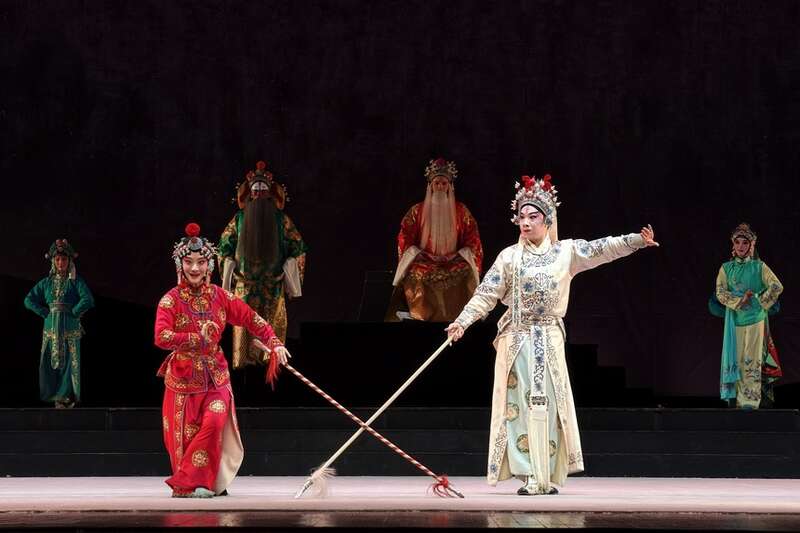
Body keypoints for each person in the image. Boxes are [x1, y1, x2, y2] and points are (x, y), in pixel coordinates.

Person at [445, 175, 658, 495]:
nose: (525, 223)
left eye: (533, 217)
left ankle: (547, 471)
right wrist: (462, 321)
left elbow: (601, 248)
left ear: (547, 220)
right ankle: (529, 473)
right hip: (517, 338)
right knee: (518, 405)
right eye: (521, 217)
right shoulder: (509, 257)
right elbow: (486, 294)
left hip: (549, 336)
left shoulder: (565, 252)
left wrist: (636, 240)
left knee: (550, 402)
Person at [155, 223, 291, 498]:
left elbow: (251, 318)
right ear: (180, 264)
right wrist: (197, 337)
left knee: (214, 424)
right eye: (189, 262)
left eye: (201, 262)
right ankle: (191, 485)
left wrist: (274, 342)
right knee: (187, 435)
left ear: (210, 265)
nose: (195, 268)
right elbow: (161, 336)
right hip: (183, 378)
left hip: (216, 377)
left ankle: (199, 482)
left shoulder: (220, 296)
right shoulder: (170, 300)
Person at [218, 160, 307, 368]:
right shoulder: (239, 219)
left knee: (272, 338)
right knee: (244, 332)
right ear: (250, 193)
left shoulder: (281, 220)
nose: (258, 194)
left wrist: (288, 271)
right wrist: (229, 271)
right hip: (244, 287)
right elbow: (223, 248)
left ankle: (271, 371)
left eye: (263, 190)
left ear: (269, 193)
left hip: (272, 287)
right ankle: (243, 371)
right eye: (255, 190)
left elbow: (298, 248)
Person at [386, 157, 483, 322]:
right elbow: (405, 237)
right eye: (436, 183)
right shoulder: (417, 211)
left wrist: (458, 255)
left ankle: (462, 318)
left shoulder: (461, 211)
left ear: (450, 186)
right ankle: (419, 316)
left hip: (453, 261)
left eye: (444, 183)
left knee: (467, 271)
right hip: (424, 260)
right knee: (415, 273)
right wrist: (419, 254)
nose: (440, 187)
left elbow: (473, 238)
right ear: (430, 185)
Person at [713, 223, 783, 409]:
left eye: (745, 242)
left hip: (755, 320)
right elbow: (720, 292)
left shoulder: (759, 267)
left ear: (751, 245)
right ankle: (736, 401)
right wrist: (739, 301)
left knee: (752, 361)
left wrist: (759, 300)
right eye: (737, 242)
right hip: (734, 320)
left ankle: (750, 403)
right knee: (736, 360)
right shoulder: (726, 268)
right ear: (733, 244)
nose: (741, 246)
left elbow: (777, 286)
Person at [24, 239, 94, 408]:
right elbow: (28, 300)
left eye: (63, 259)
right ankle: (53, 396)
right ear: (53, 262)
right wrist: (44, 312)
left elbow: (88, 299)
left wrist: (74, 312)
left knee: (69, 362)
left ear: (69, 261)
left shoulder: (75, 281)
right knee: (50, 361)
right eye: (57, 259)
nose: (61, 263)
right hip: (51, 328)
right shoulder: (46, 283)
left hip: (69, 327)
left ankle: (66, 396)